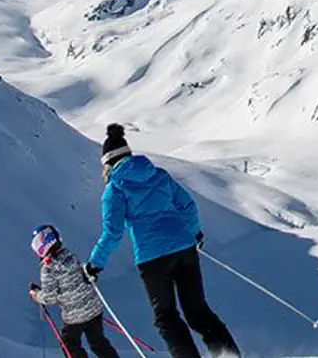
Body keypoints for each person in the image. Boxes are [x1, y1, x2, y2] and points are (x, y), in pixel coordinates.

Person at [85, 124, 240, 358]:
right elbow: (187, 205)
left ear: (107, 163)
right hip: (185, 247)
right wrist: (195, 233)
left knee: (166, 317)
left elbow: (113, 234)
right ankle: (229, 355)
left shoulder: (114, 189)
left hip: (153, 258)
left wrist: (94, 265)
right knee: (197, 310)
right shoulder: (158, 174)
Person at [29, 225, 121, 358]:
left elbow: (50, 297)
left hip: (74, 317)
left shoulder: (48, 268)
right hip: (94, 309)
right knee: (98, 343)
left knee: (70, 344)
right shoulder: (69, 254)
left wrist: (36, 295)